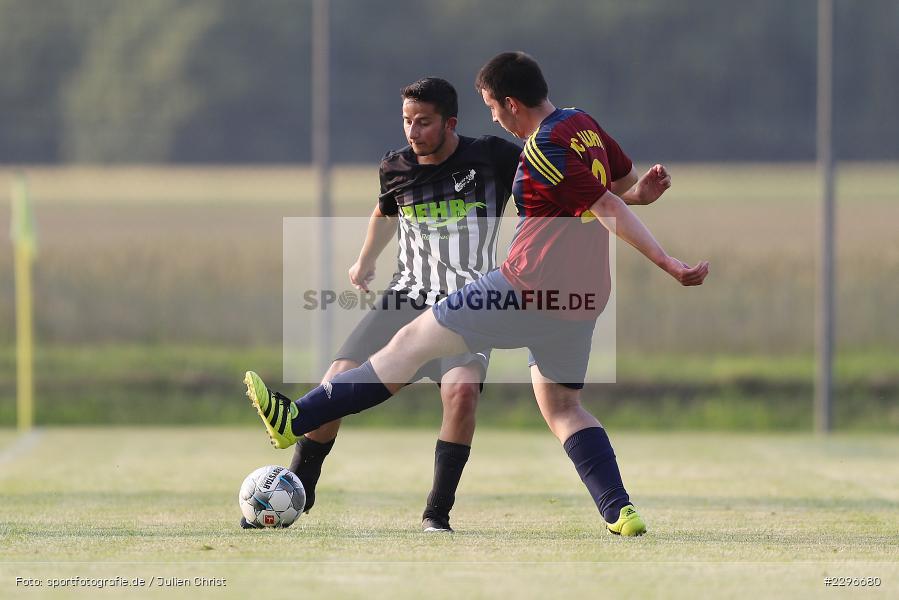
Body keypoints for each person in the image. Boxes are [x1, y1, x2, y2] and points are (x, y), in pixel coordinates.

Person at [244, 52, 707, 537]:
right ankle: (619, 510)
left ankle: (297, 417)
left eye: (491, 106)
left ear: (510, 104)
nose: (493, 118)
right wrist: (640, 196)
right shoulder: (582, 124)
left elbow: (607, 203)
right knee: (563, 407)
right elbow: (616, 191)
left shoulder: (542, 146)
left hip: (523, 287)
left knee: (409, 345)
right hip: (580, 302)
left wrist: (668, 263)